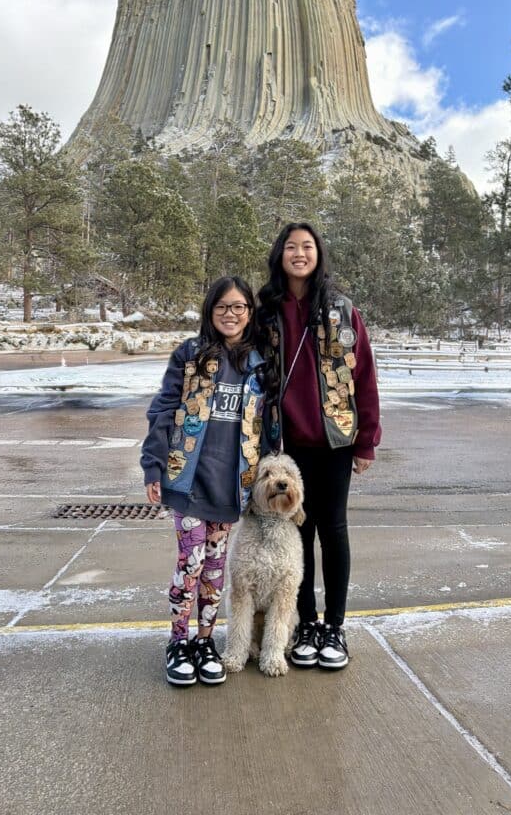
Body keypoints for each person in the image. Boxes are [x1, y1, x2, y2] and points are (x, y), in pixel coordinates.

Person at [257, 222, 380, 670]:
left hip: (335, 441)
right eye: (291, 246)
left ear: (318, 254)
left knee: (333, 529)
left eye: (307, 246)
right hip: (286, 444)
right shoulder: (267, 312)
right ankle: (306, 623)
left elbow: (363, 375)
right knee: (298, 533)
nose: (299, 253)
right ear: (280, 255)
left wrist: (367, 441)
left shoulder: (342, 311)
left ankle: (335, 627)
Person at [141, 276, 265, 687]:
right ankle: (178, 642)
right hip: (188, 482)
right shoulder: (190, 354)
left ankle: (205, 642)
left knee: (214, 569)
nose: (231, 314)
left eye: (239, 307)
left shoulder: (258, 364)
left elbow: (268, 425)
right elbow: (164, 409)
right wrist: (153, 464)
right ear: (210, 312)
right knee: (190, 563)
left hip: (230, 487)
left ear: (249, 312)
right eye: (222, 307)